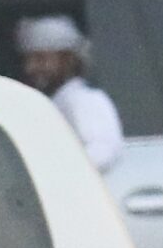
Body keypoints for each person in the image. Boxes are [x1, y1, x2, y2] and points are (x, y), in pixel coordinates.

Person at [12, 15, 125, 170]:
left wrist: (56, 173)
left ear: (68, 60)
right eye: (28, 60)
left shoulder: (84, 99)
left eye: (41, 59)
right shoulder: (53, 101)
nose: (30, 68)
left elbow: (102, 150)